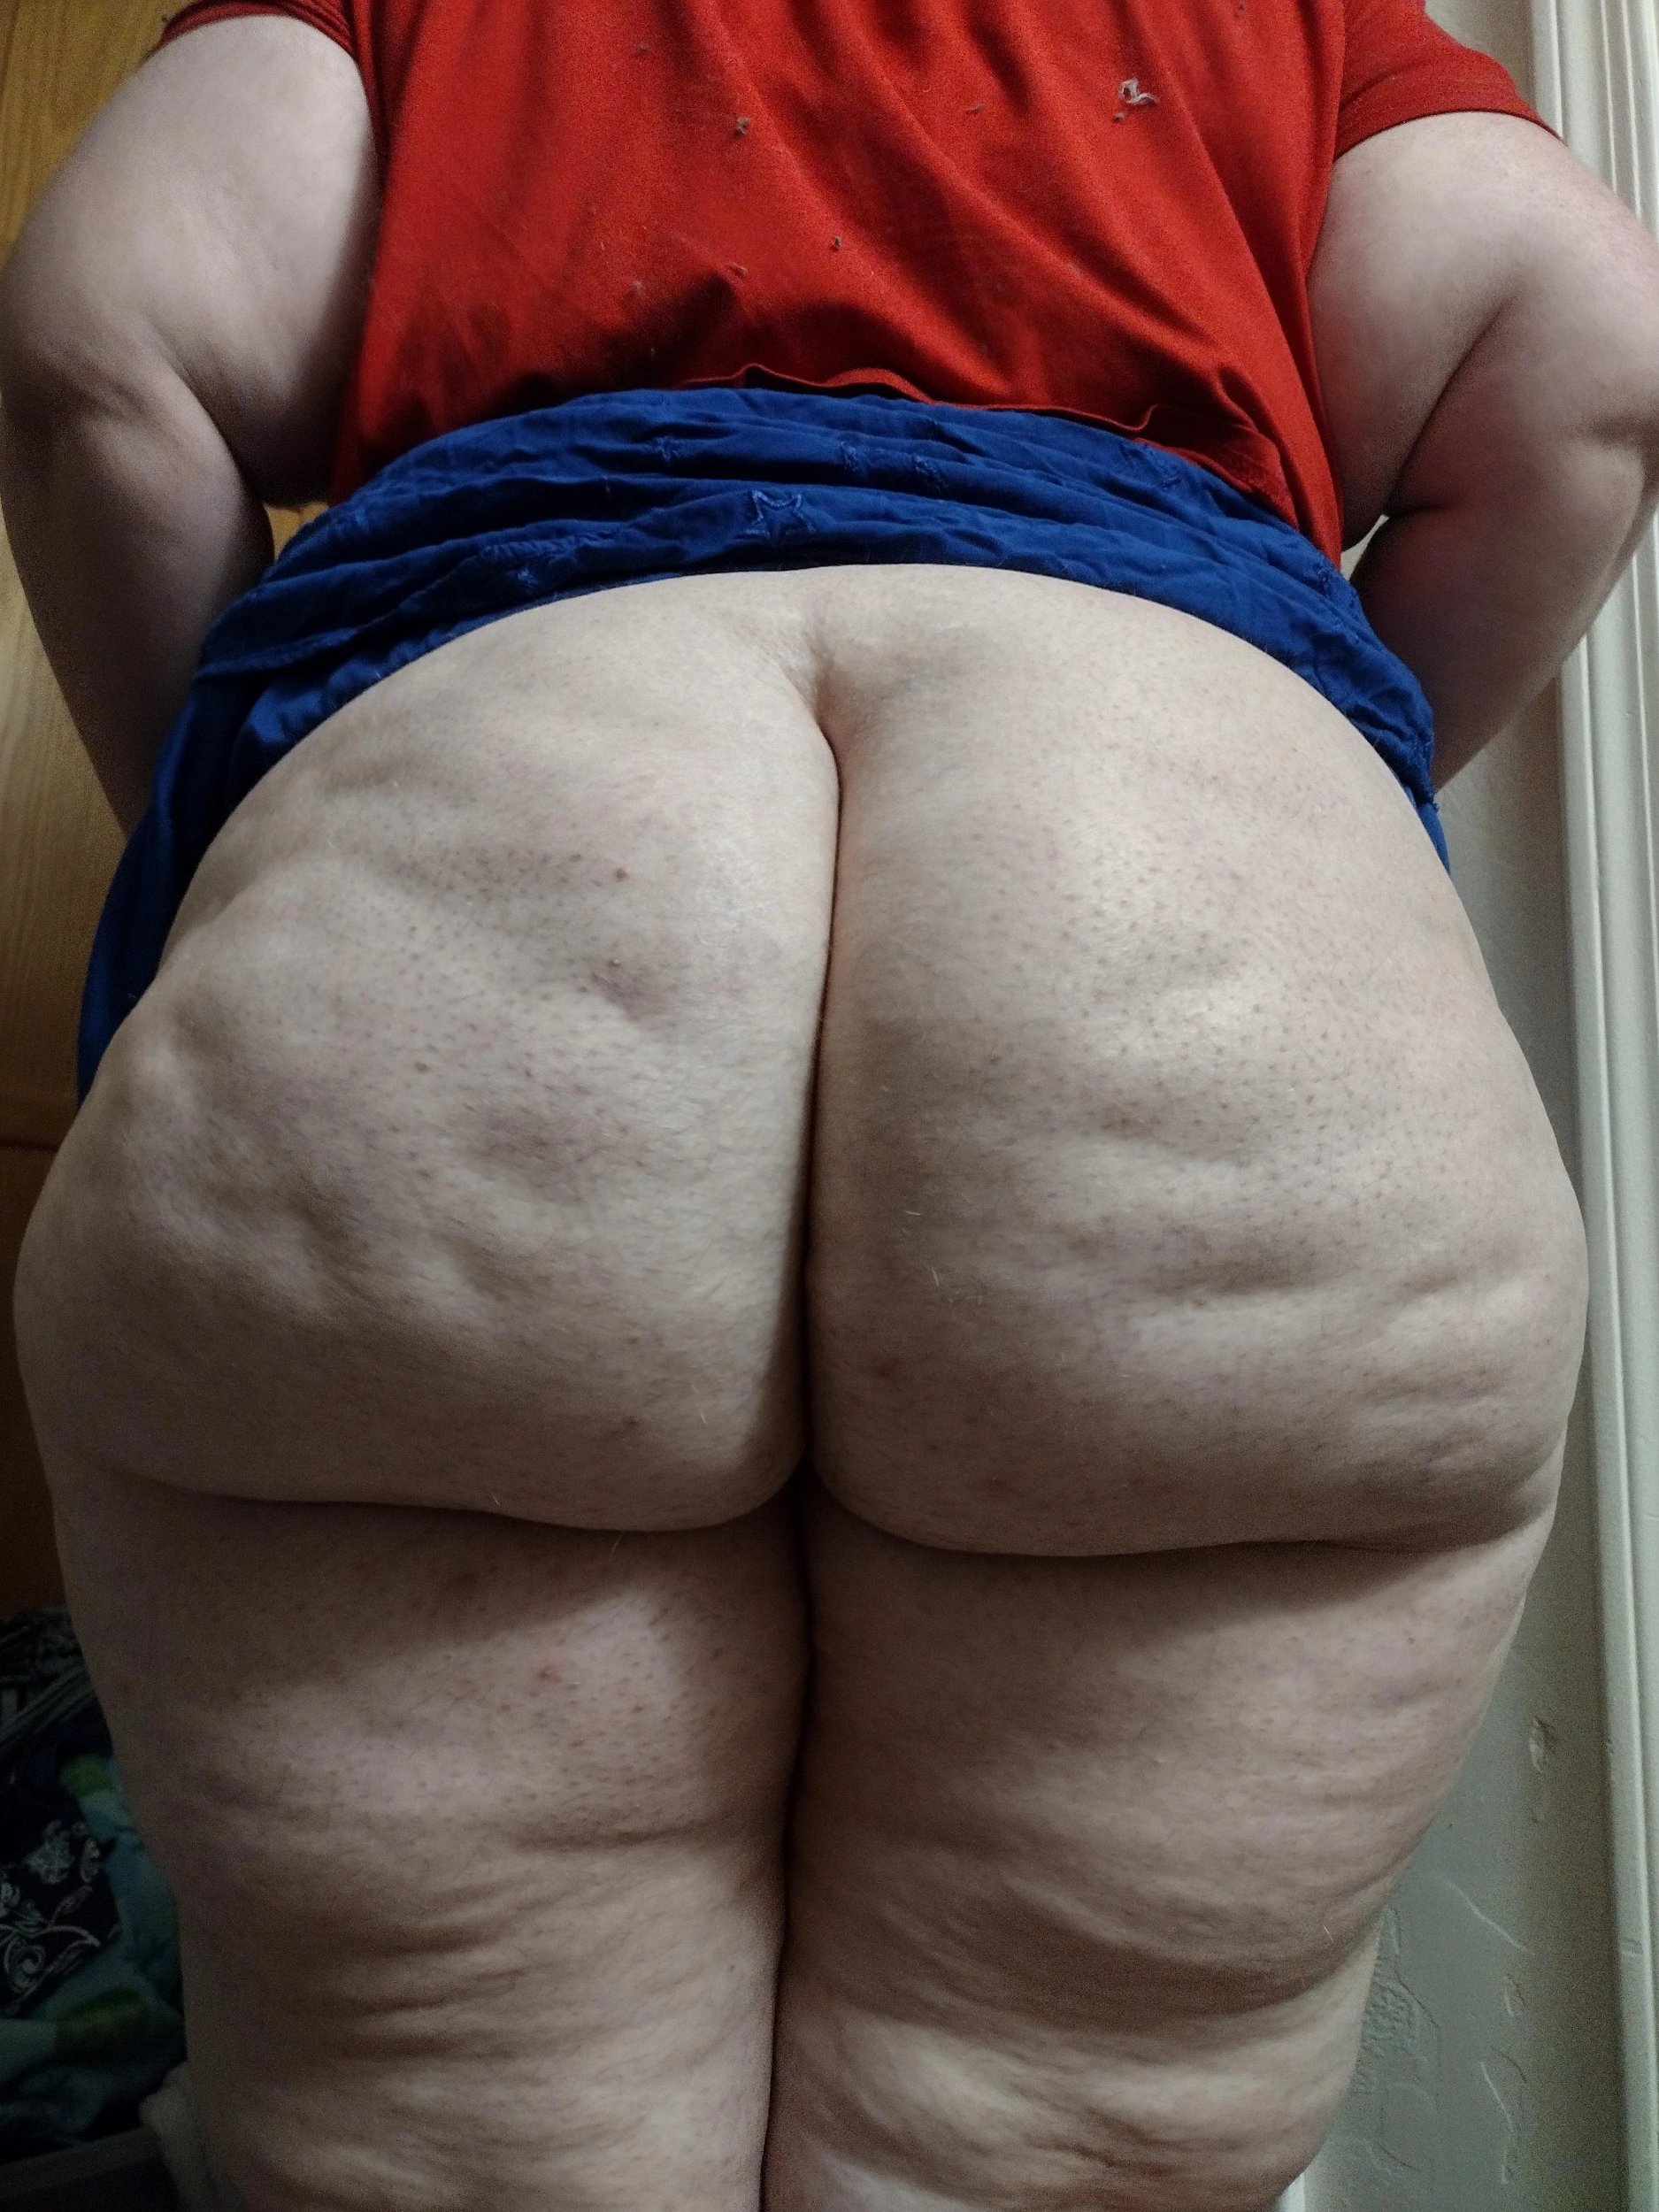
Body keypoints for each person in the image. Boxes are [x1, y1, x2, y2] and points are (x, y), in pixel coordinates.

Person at [2, 1, 1655, 2204]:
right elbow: (1590, 366)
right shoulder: (1296, 15)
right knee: (1064, 2136)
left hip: (486, 833)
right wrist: (1309, 783)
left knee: (447, 2127)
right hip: (1173, 849)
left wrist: (232, 850)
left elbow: (96, 355)